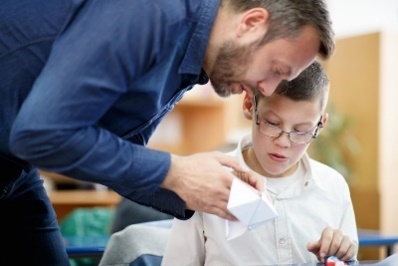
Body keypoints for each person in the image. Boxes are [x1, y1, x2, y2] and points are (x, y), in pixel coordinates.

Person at [0, 0, 334, 264]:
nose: (267, 87)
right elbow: (40, 133)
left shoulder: (189, 57)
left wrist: (197, 187)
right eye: (276, 70)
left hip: (14, 172)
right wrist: (176, 172)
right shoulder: (152, 11)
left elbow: (117, 152)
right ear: (250, 24)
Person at [162, 61, 358, 266]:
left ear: (320, 125)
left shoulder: (334, 187)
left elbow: (346, 260)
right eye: (272, 123)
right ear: (249, 106)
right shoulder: (206, 181)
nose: (283, 142)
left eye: (301, 131)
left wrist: (343, 255)